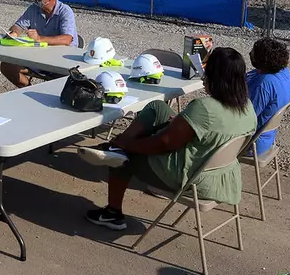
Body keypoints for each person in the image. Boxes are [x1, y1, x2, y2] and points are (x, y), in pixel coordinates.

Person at [78, 47, 257, 230]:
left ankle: (112, 210)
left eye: (207, 72)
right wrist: (179, 124)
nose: (204, 78)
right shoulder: (247, 108)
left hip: (191, 179)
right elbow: (213, 134)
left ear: (216, 78)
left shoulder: (205, 108)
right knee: (158, 108)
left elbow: (163, 144)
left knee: (122, 158)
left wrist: (129, 144)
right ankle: (116, 146)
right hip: (222, 176)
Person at [0, 0, 78, 88]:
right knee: (7, 66)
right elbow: (19, 25)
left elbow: (67, 39)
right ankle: (28, 91)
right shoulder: (34, 9)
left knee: (61, 84)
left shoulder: (65, 12)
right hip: (38, 59)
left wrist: (39, 38)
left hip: (61, 62)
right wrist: (15, 32)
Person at [246, 37, 290, 155]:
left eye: (254, 52)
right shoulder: (283, 73)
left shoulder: (264, 84)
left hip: (253, 144)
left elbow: (245, 117)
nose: (250, 54)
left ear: (263, 60)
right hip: (268, 139)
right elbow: (251, 75)